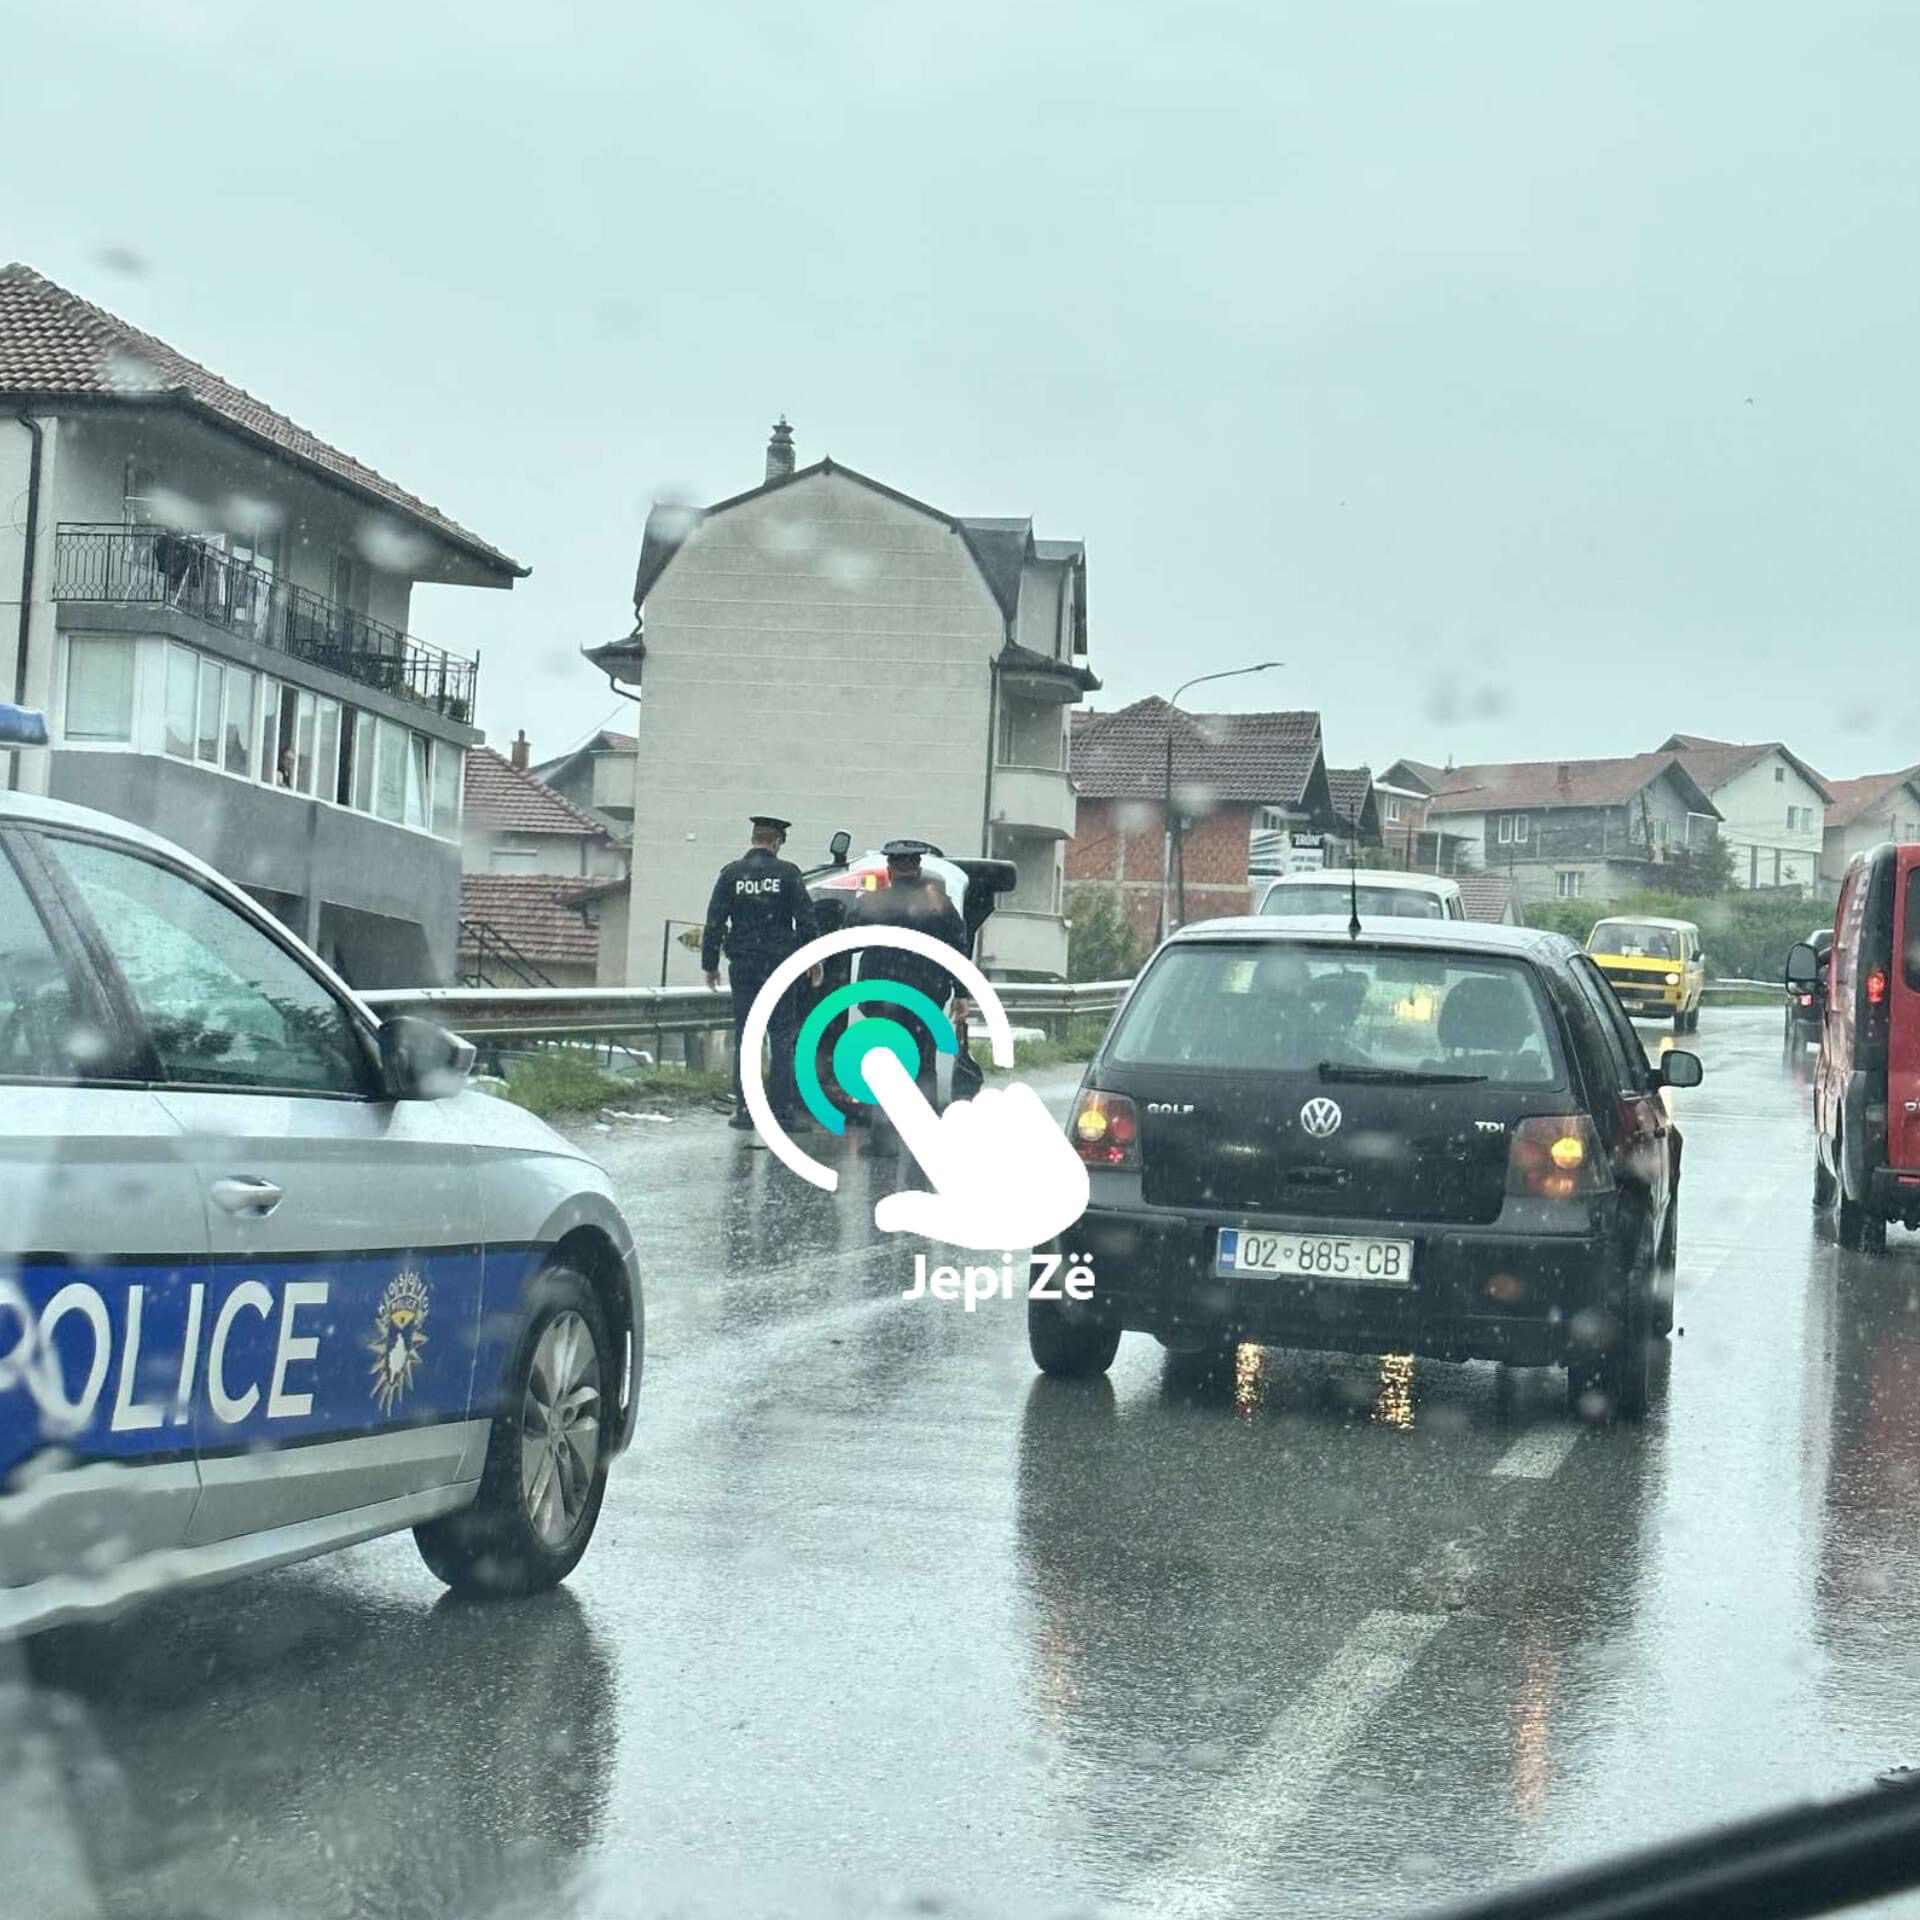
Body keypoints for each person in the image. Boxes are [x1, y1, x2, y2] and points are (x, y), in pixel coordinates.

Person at [702, 815, 823, 1131]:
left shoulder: (731, 874)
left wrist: (710, 964)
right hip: (779, 965)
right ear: (777, 842)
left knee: (746, 1035)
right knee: (781, 1037)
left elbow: (715, 921)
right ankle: (782, 1113)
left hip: (743, 966)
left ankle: (745, 1110)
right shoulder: (788, 874)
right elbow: (806, 920)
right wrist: (813, 960)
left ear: (754, 838)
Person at [843, 839, 971, 1109]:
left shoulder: (872, 903)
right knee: (924, 1059)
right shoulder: (939, 904)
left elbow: (847, 943)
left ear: (889, 870)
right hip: (926, 994)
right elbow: (958, 949)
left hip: (880, 995)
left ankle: (883, 1125)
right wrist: (961, 993)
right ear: (919, 870)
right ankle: (921, 1122)